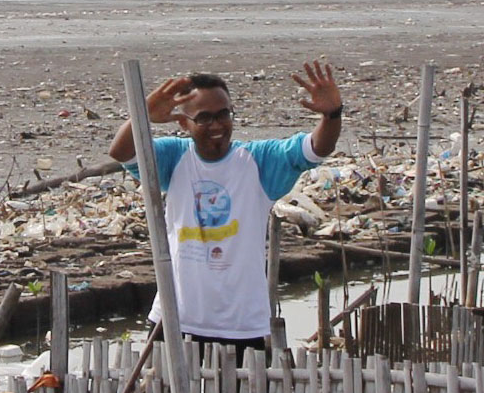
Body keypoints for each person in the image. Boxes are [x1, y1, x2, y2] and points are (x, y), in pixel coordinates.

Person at [107, 64, 346, 350]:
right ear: (184, 122)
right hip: (176, 318)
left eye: (223, 115)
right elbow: (122, 152)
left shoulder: (258, 160)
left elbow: (315, 148)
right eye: (204, 118)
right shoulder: (174, 157)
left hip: (242, 324)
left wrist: (331, 115)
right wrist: (141, 117)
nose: (217, 126)